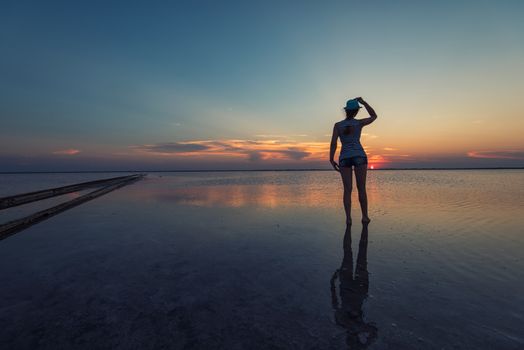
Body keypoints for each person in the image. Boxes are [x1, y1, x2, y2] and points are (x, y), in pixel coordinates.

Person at [329, 97, 377, 225]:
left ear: (346, 111)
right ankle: (365, 217)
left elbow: (333, 143)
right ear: (356, 111)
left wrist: (331, 158)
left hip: (344, 158)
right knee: (361, 188)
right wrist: (364, 102)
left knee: (347, 190)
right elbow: (374, 116)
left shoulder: (338, 125)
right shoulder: (359, 123)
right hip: (359, 156)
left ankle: (348, 219)